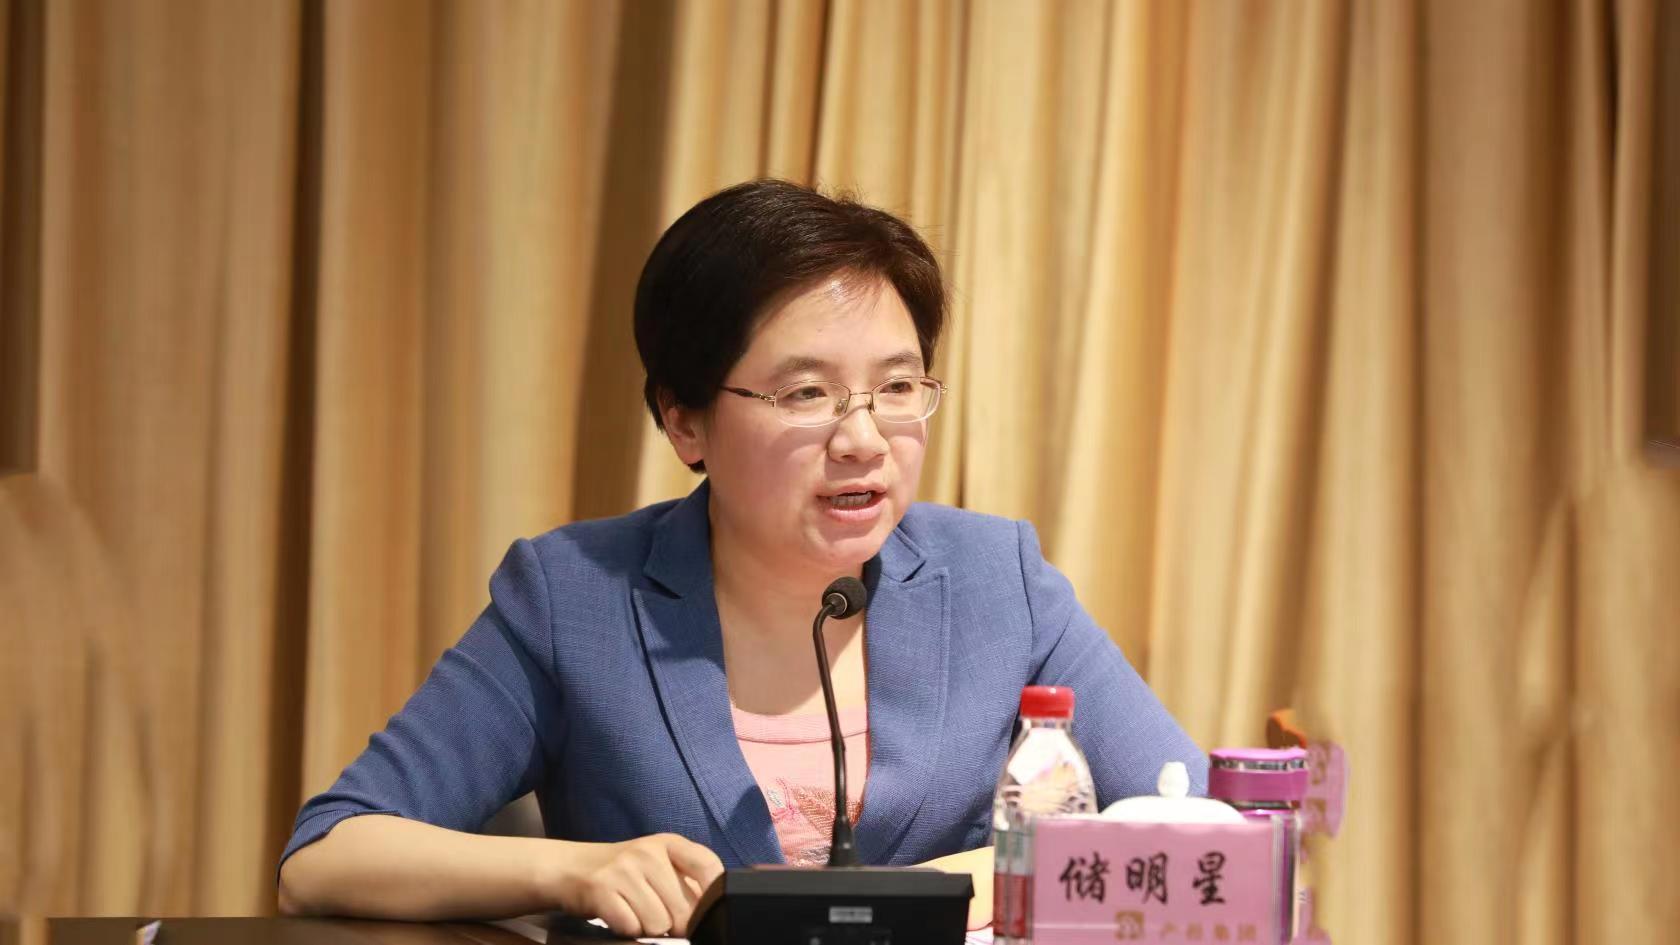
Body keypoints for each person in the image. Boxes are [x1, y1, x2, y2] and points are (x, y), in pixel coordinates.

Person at [276, 179, 1206, 936]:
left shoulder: (1001, 582)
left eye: (896, 387)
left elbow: (1201, 832)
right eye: (806, 393)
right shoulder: (573, 598)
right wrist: (574, 871)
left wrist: (987, 877)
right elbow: (327, 855)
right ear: (684, 420)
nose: (864, 439)